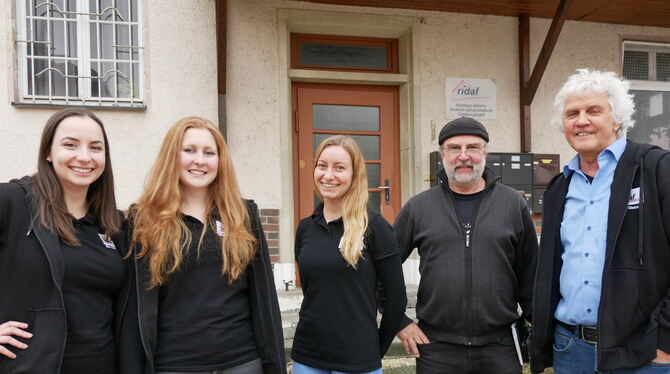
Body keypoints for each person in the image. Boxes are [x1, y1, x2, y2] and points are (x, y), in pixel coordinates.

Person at [531, 69, 670, 373]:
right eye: (572, 114)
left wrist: (665, 341)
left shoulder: (655, 168)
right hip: (570, 348)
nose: (581, 121)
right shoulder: (559, 188)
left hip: (642, 354)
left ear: (617, 119)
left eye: (594, 111)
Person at [127, 116, 286, 374]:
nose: (199, 160)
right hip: (176, 365)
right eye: (189, 150)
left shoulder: (242, 215)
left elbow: (264, 298)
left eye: (209, 152)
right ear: (172, 156)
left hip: (242, 363)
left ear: (220, 161)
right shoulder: (144, 219)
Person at [393, 117, 538, 374]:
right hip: (436, 348)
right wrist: (400, 321)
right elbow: (383, 269)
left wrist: (538, 327)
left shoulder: (512, 204)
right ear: (442, 154)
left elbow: (531, 274)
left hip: (500, 348)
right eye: (454, 148)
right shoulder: (419, 207)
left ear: (485, 152)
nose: (463, 156)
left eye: (472, 147)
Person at [0, 108, 136, 373]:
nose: (84, 157)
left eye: (95, 148)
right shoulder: (13, 202)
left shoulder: (114, 225)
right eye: (70, 145)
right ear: (49, 153)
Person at [291, 135, 407, 374]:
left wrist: (376, 350)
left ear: (355, 175)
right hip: (307, 355)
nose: (328, 175)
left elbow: (396, 300)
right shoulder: (305, 228)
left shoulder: (375, 228)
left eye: (340, 168)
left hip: (357, 359)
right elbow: (312, 290)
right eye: (322, 166)